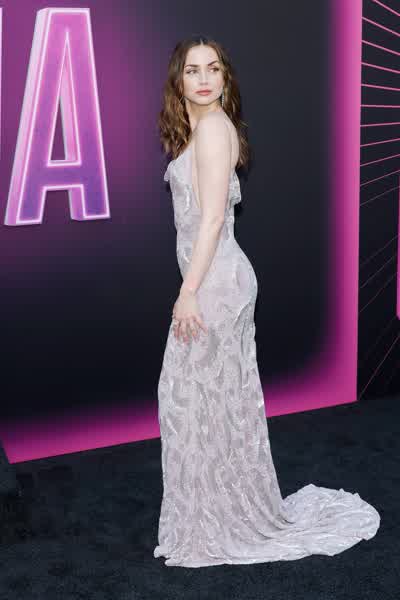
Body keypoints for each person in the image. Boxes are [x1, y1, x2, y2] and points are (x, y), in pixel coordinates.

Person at [154, 35, 380, 568]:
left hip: (215, 285)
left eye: (213, 69)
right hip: (215, 279)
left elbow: (212, 219)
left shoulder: (214, 128)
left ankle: (218, 521)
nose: (204, 78)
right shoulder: (201, 129)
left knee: (192, 401)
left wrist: (187, 292)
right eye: (193, 70)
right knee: (210, 405)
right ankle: (217, 515)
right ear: (178, 81)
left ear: (225, 79)